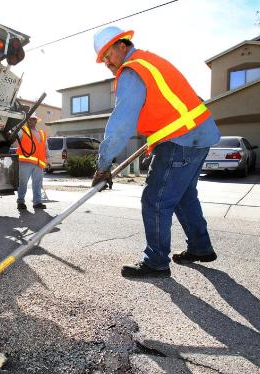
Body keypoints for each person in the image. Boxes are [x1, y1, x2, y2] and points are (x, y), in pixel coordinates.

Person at [91, 26, 221, 278]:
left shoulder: (132, 70)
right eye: (102, 59)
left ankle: (156, 262)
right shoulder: (151, 61)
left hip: (180, 140)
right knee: (184, 196)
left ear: (122, 45)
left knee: (155, 200)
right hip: (198, 135)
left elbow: (121, 126)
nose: (106, 62)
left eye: (107, 55)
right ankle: (201, 248)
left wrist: (103, 165)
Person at [16, 113, 48, 210]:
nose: (31, 121)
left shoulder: (42, 133)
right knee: (23, 183)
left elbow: (46, 147)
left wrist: (48, 158)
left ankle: (37, 202)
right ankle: (21, 202)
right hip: (25, 162)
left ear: (36, 121)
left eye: (33, 119)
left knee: (37, 183)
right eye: (29, 119)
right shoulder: (22, 131)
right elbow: (14, 136)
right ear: (26, 121)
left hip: (39, 163)